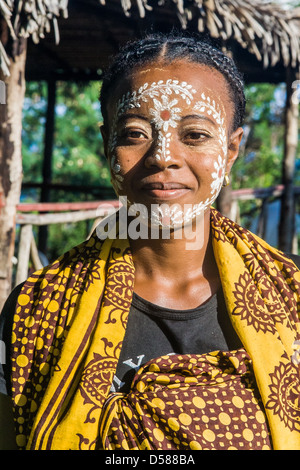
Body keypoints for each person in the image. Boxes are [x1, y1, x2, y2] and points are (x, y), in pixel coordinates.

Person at [1, 31, 300, 451]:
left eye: (194, 135)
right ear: (108, 142)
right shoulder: (35, 311)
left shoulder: (290, 294)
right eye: (135, 133)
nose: (163, 155)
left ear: (231, 151)